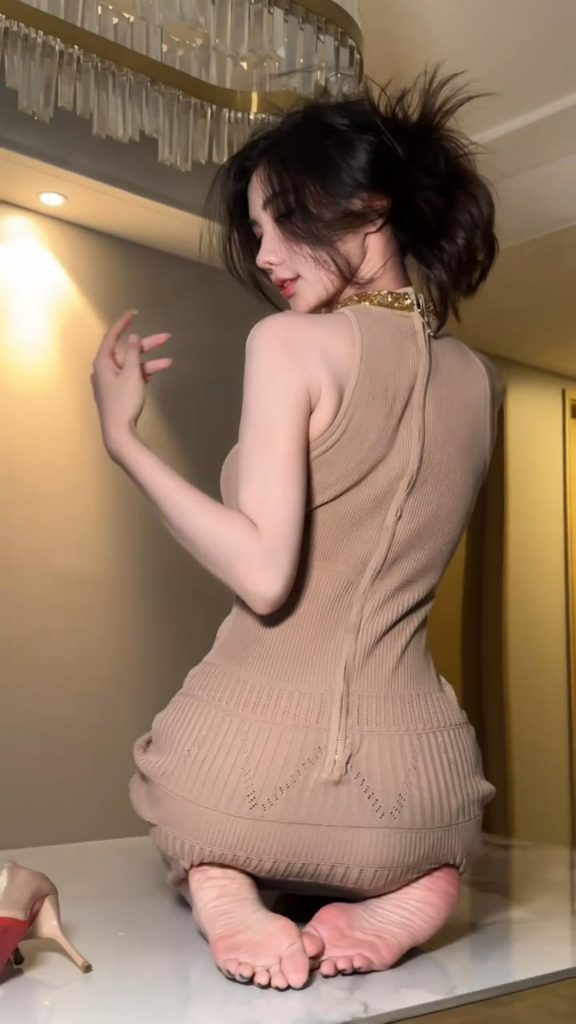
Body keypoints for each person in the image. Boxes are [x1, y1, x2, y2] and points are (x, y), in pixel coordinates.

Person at [91, 66, 506, 992]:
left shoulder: (287, 344)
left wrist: (125, 442)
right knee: (428, 835)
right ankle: (422, 877)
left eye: (286, 218)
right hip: (426, 787)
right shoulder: (481, 380)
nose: (268, 252)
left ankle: (222, 876)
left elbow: (265, 574)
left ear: (370, 206)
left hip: (242, 777)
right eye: (256, 229)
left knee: (180, 805)